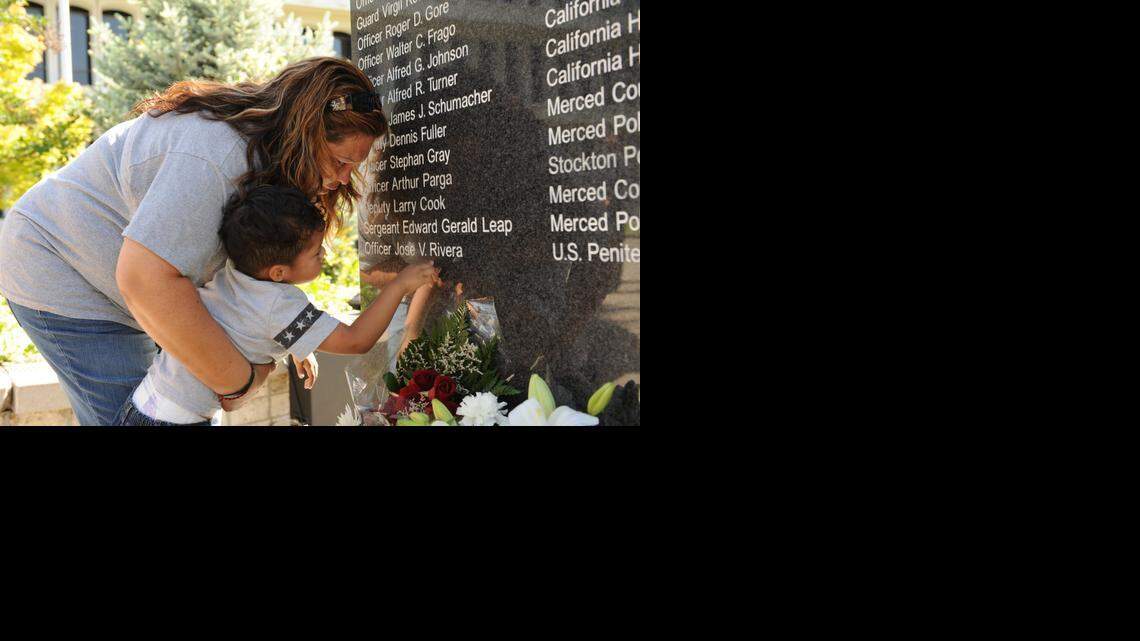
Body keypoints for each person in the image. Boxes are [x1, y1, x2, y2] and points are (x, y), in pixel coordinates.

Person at [0, 57, 388, 425]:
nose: (342, 179)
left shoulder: (266, 156)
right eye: (339, 161)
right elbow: (144, 279)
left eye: (354, 166)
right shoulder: (216, 157)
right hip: (58, 264)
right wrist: (238, 379)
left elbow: (251, 268)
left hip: (123, 278)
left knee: (183, 402)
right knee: (152, 415)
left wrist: (296, 337)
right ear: (304, 134)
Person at [115, 186, 440, 426]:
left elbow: (248, 321)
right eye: (315, 253)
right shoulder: (279, 304)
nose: (324, 255)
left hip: (147, 406)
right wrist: (399, 285)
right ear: (279, 272)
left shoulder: (236, 272)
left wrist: (299, 344)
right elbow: (356, 340)